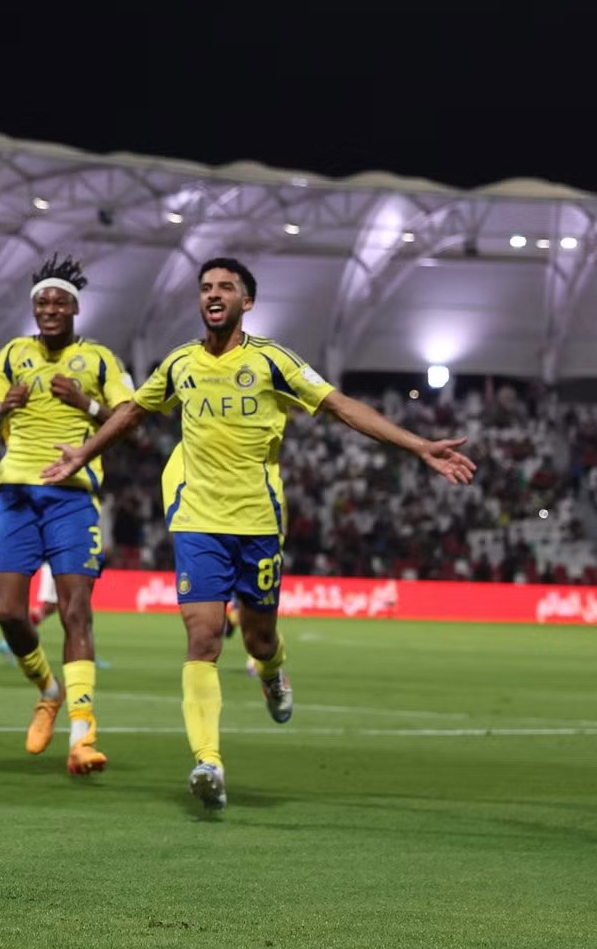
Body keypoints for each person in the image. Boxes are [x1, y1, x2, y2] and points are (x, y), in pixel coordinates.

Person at [45, 256, 476, 810]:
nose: (213, 294)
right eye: (205, 287)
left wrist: (418, 446)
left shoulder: (273, 361)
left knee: (258, 639)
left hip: (258, 523)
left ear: (247, 302)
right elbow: (132, 413)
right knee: (202, 639)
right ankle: (208, 762)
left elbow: (340, 406)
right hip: (198, 520)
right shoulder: (179, 363)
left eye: (226, 287)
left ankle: (272, 671)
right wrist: (84, 449)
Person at [0, 254, 133, 776]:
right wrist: (5, 408)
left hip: (72, 496)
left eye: (59, 301)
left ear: (75, 308)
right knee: (9, 614)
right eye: (42, 300)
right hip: (15, 494)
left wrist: (88, 406)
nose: (49, 308)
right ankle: (48, 689)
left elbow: (130, 420)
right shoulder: (12, 357)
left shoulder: (101, 361)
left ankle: (83, 734)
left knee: (75, 612)